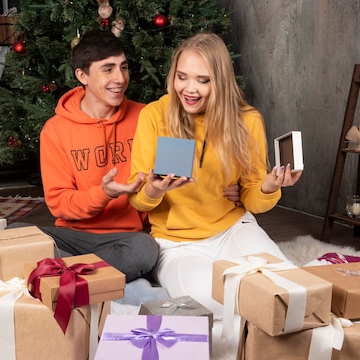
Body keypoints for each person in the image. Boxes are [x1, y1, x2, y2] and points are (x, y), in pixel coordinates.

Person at [37, 30, 241, 301]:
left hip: (128, 239)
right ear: (82, 76)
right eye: (107, 69)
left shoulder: (148, 116)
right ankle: (102, 279)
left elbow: (183, 174)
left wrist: (230, 187)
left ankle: (63, 279)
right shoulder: (56, 130)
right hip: (73, 237)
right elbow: (60, 204)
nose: (120, 79)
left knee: (144, 251)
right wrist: (105, 193)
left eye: (123, 67)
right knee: (17, 236)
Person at [128, 32, 303, 315]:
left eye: (203, 80)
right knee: (216, 303)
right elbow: (137, 200)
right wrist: (155, 189)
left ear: (219, 82)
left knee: (286, 290)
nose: (189, 89)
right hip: (177, 243)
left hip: (232, 228)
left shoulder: (247, 120)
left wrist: (269, 186)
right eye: (182, 77)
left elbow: (252, 198)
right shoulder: (154, 116)